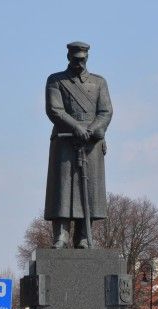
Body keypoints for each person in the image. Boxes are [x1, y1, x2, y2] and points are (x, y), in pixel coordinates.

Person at [44, 41, 113, 248]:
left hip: (91, 141)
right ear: (68, 58)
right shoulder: (56, 80)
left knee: (90, 189)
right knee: (63, 189)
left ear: (87, 58)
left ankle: (84, 235)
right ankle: (61, 235)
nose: (79, 63)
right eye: (76, 59)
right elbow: (55, 110)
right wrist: (76, 127)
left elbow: (106, 111)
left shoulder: (99, 82)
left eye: (83, 59)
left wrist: (91, 130)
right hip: (65, 139)